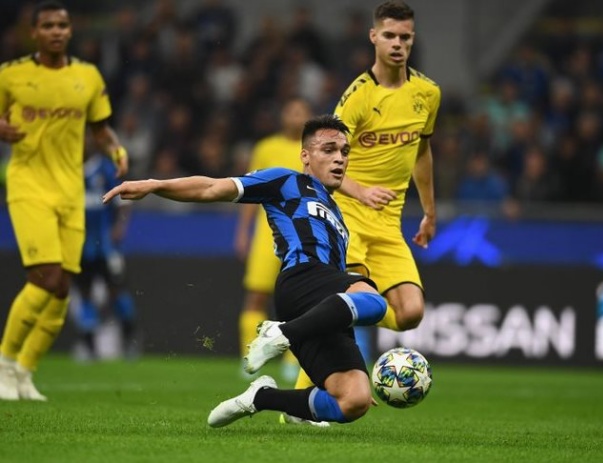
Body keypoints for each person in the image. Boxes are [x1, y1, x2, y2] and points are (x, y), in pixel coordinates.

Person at [102, 115, 387, 427]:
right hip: (302, 279)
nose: (339, 158)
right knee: (375, 302)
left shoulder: (336, 213)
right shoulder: (285, 181)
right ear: (305, 156)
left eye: (344, 152)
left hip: (319, 304)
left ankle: (261, 397)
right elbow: (212, 187)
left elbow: (338, 290)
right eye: (329, 150)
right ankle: (280, 334)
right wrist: (156, 185)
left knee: (353, 400)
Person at [290, 0, 442, 397]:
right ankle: (304, 397)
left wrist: (429, 211)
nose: (397, 44)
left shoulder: (427, 93)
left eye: (404, 37)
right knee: (352, 302)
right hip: (348, 217)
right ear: (374, 37)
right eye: (389, 35)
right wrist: (360, 190)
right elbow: (322, 159)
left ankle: (316, 325)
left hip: (389, 224)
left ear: (412, 39)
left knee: (410, 313)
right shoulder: (357, 96)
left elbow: (422, 153)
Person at [0, 1, 128, 401]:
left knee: (60, 291)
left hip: (71, 190)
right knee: (47, 277)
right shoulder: (10, 74)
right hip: (28, 184)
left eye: (62, 25)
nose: (56, 31)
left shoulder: (87, 76)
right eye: (48, 25)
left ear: (70, 31)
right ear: (34, 32)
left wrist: (115, 149)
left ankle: (24, 372)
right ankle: (4, 363)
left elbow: (100, 129)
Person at [233, 97, 312, 381]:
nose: (295, 117)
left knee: (303, 299)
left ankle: (295, 360)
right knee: (256, 295)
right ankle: (250, 357)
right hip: (267, 233)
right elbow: (248, 192)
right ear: (282, 116)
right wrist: (243, 232)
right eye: (291, 112)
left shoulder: (314, 150)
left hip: (304, 232)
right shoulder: (265, 148)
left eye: (301, 112)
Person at [73, 145, 138, 361]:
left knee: (116, 291)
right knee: (84, 294)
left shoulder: (105, 168)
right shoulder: (69, 169)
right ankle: (89, 348)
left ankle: (130, 339)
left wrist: (120, 226)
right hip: (80, 247)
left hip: (106, 247)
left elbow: (124, 201)